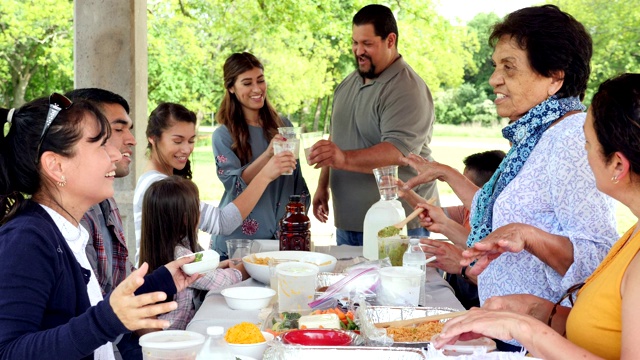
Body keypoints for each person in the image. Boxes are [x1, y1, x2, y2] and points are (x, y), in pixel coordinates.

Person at [402, 5, 619, 351]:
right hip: (507, 333)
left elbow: (599, 258)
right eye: (495, 66)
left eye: (509, 67)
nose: (494, 79)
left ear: (554, 77)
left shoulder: (569, 139)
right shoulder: (534, 137)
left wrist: (530, 237)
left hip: (541, 343)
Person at [434, 73, 640, 360]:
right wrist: (538, 310)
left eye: (589, 144)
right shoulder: (633, 235)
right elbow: (604, 331)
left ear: (618, 164)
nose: (583, 152)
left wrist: (522, 327)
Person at [0, 94, 200, 359]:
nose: (116, 155)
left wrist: (163, 280)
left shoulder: (67, 230)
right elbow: (9, 351)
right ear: (56, 166)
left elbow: (93, 311)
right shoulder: (27, 239)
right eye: (102, 145)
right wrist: (106, 321)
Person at [308, 4, 439, 246]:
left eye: (367, 44)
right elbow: (336, 141)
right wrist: (322, 185)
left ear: (390, 40)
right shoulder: (347, 83)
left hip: (398, 224)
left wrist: (343, 159)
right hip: (348, 222)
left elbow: (397, 154)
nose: (359, 51)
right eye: (354, 43)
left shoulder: (407, 89)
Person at [134, 102, 295, 265]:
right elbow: (223, 223)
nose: (186, 149)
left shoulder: (154, 179)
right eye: (177, 141)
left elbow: (184, 246)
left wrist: (267, 156)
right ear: (153, 139)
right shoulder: (158, 186)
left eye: (190, 141)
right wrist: (265, 176)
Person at [65, 88, 142, 359]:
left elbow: (120, 284)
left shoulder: (103, 199)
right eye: (117, 130)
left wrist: (170, 277)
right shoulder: (38, 231)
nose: (131, 140)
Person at [211, 52, 309, 256]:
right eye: (247, 83)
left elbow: (296, 181)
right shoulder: (223, 135)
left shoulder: (284, 127)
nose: (257, 89)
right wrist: (267, 156)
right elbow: (234, 185)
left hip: (282, 240)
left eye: (261, 80)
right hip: (239, 244)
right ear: (231, 88)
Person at [140, 176, 249, 330]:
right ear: (185, 218)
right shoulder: (180, 255)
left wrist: (221, 265)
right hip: (174, 335)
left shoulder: (163, 245)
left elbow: (202, 271)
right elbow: (219, 282)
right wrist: (241, 271)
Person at [401, 150, 506, 309]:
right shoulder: (465, 210)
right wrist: (405, 192)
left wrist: (461, 266)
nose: (457, 191)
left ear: (483, 189)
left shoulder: (500, 222)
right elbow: (434, 214)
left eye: (462, 184)